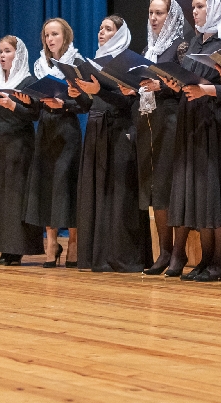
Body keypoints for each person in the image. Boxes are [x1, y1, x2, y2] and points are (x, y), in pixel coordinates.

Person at [162, 0, 221, 281]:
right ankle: (205, 259)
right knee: (200, 192)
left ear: (215, 7)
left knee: (215, 190)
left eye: (200, 7)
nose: (195, 12)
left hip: (215, 121)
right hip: (192, 119)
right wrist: (177, 85)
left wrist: (205, 90)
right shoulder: (196, 40)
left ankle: (219, 261)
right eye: (193, 7)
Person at [73, 16, 152, 272]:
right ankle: (97, 256)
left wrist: (99, 91)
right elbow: (88, 106)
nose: (101, 32)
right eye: (100, 28)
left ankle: (124, 257)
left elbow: (128, 102)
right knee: (97, 193)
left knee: (119, 196)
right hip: (96, 129)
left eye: (108, 29)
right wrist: (80, 94)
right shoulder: (95, 61)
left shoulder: (128, 62)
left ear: (119, 34)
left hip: (120, 130)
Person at [20, 18, 92, 268]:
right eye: (46, 35)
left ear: (66, 37)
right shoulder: (40, 65)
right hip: (46, 130)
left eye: (54, 34)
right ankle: (51, 244)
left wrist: (65, 103)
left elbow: (86, 104)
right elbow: (37, 105)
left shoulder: (77, 63)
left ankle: (73, 242)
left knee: (67, 186)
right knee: (46, 186)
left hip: (67, 130)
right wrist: (29, 101)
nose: (50, 39)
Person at [0, 36, 43, 265]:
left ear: (18, 54)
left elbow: (35, 115)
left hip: (19, 143)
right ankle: (2, 247)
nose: (2, 56)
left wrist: (13, 105)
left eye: (7, 51)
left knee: (16, 197)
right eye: (0, 52)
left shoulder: (28, 81)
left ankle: (17, 249)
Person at [137, 0, 186, 275]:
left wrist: (162, 85)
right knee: (154, 187)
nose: (154, 18)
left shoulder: (180, 46)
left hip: (171, 121)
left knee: (170, 187)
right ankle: (164, 251)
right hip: (149, 121)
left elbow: (185, 84)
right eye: (151, 13)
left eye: (159, 13)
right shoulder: (148, 48)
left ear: (171, 16)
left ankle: (178, 252)